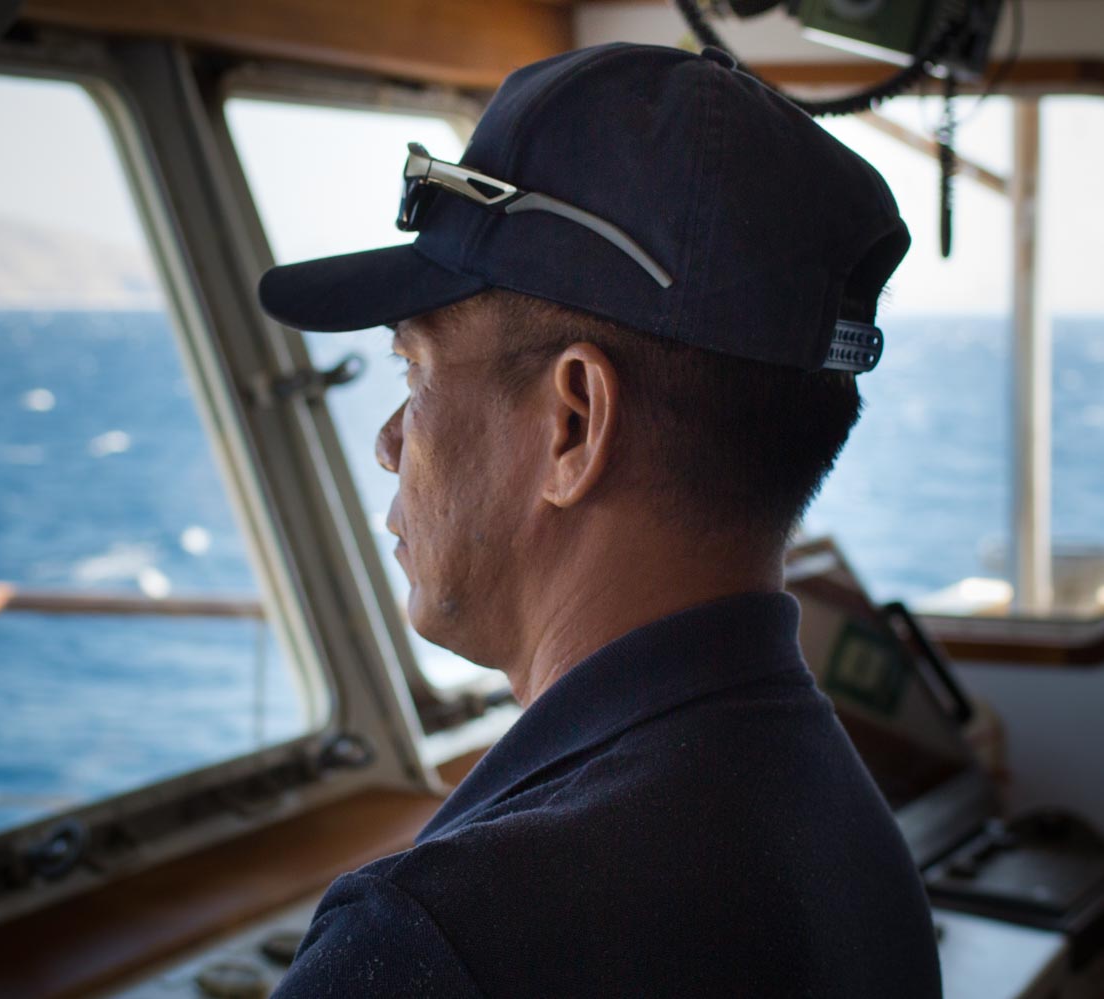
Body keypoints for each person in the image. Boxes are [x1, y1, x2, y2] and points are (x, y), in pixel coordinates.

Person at [257, 43, 939, 997]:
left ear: (572, 422)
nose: (386, 441)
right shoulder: (845, 832)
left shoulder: (439, 941)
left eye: (414, 374)